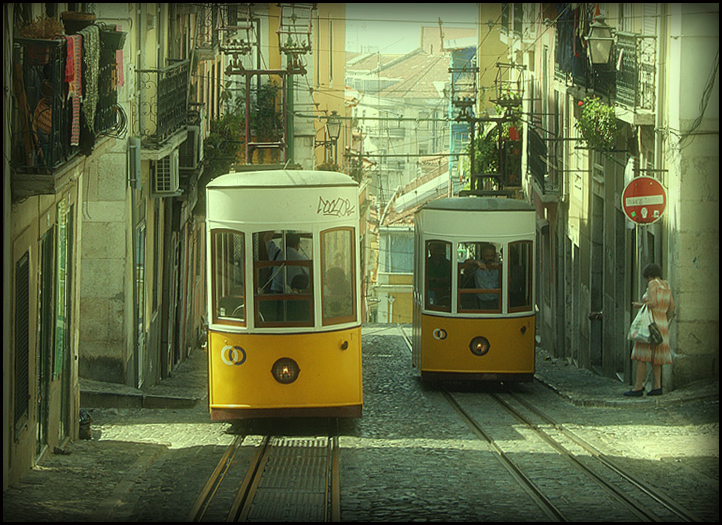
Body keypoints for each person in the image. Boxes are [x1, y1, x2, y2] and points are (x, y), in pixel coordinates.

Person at [624, 263, 675, 397]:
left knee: (642, 355)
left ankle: (638, 387)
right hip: (662, 322)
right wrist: (663, 318)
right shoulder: (666, 285)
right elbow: (671, 308)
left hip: (650, 322)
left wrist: (640, 305)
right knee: (656, 357)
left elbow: (652, 302)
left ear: (649, 276)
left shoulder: (653, 284)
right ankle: (657, 387)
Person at [463, 243, 501, 310]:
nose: (490, 258)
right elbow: (466, 262)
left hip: (496, 300)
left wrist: (499, 267)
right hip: (481, 300)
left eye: (492, 255)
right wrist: (476, 263)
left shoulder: (499, 265)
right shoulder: (478, 264)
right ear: (483, 255)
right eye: (487, 256)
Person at [427, 242, 451, 306]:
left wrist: (434, 279)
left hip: (443, 292)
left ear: (440, 250)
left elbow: (449, 279)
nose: (433, 253)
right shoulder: (426, 262)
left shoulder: (447, 263)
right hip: (429, 292)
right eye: (431, 250)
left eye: (435, 250)